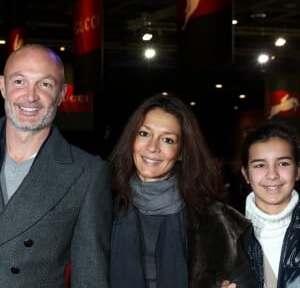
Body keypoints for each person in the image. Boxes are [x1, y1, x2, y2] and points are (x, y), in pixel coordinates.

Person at [108, 93, 256, 288]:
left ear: (181, 153)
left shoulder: (216, 220)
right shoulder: (102, 206)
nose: (152, 147)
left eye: (167, 140)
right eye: (144, 134)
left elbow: (244, 281)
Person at [0, 44, 112, 287]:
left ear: (62, 93)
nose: (30, 96)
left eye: (45, 84)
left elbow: (90, 277)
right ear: (2, 86)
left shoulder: (88, 175)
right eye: (19, 81)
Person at [238, 120, 300, 287]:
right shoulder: (227, 232)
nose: (272, 175)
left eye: (283, 164)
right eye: (259, 165)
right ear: (246, 174)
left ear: (298, 171)